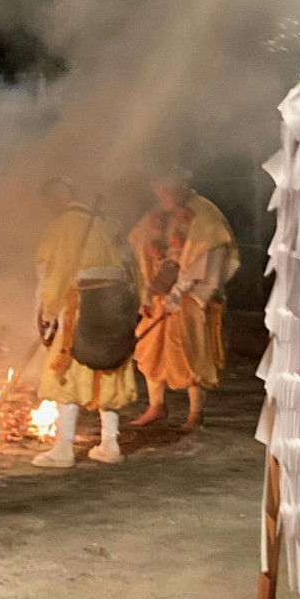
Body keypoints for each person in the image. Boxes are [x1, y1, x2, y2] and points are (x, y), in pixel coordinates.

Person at [31, 178, 140, 470]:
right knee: (108, 369)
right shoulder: (108, 224)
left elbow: (51, 273)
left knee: (66, 374)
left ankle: (63, 449)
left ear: (55, 198)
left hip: (78, 310)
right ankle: (110, 444)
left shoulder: (60, 227)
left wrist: (47, 312)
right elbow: (131, 264)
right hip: (114, 307)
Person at [128, 169, 240, 431]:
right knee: (150, 350)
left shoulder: (205, 213)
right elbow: (140, 249)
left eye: (167, 186)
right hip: (160, 293)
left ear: (183, 184)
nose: (162, 193)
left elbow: (207, 257)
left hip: (192, 295)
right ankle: (156, 406)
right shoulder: (158, 213)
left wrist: (179, 292)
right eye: (158, 187)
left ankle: (195, 413)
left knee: (191, 352)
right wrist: (148, 292)